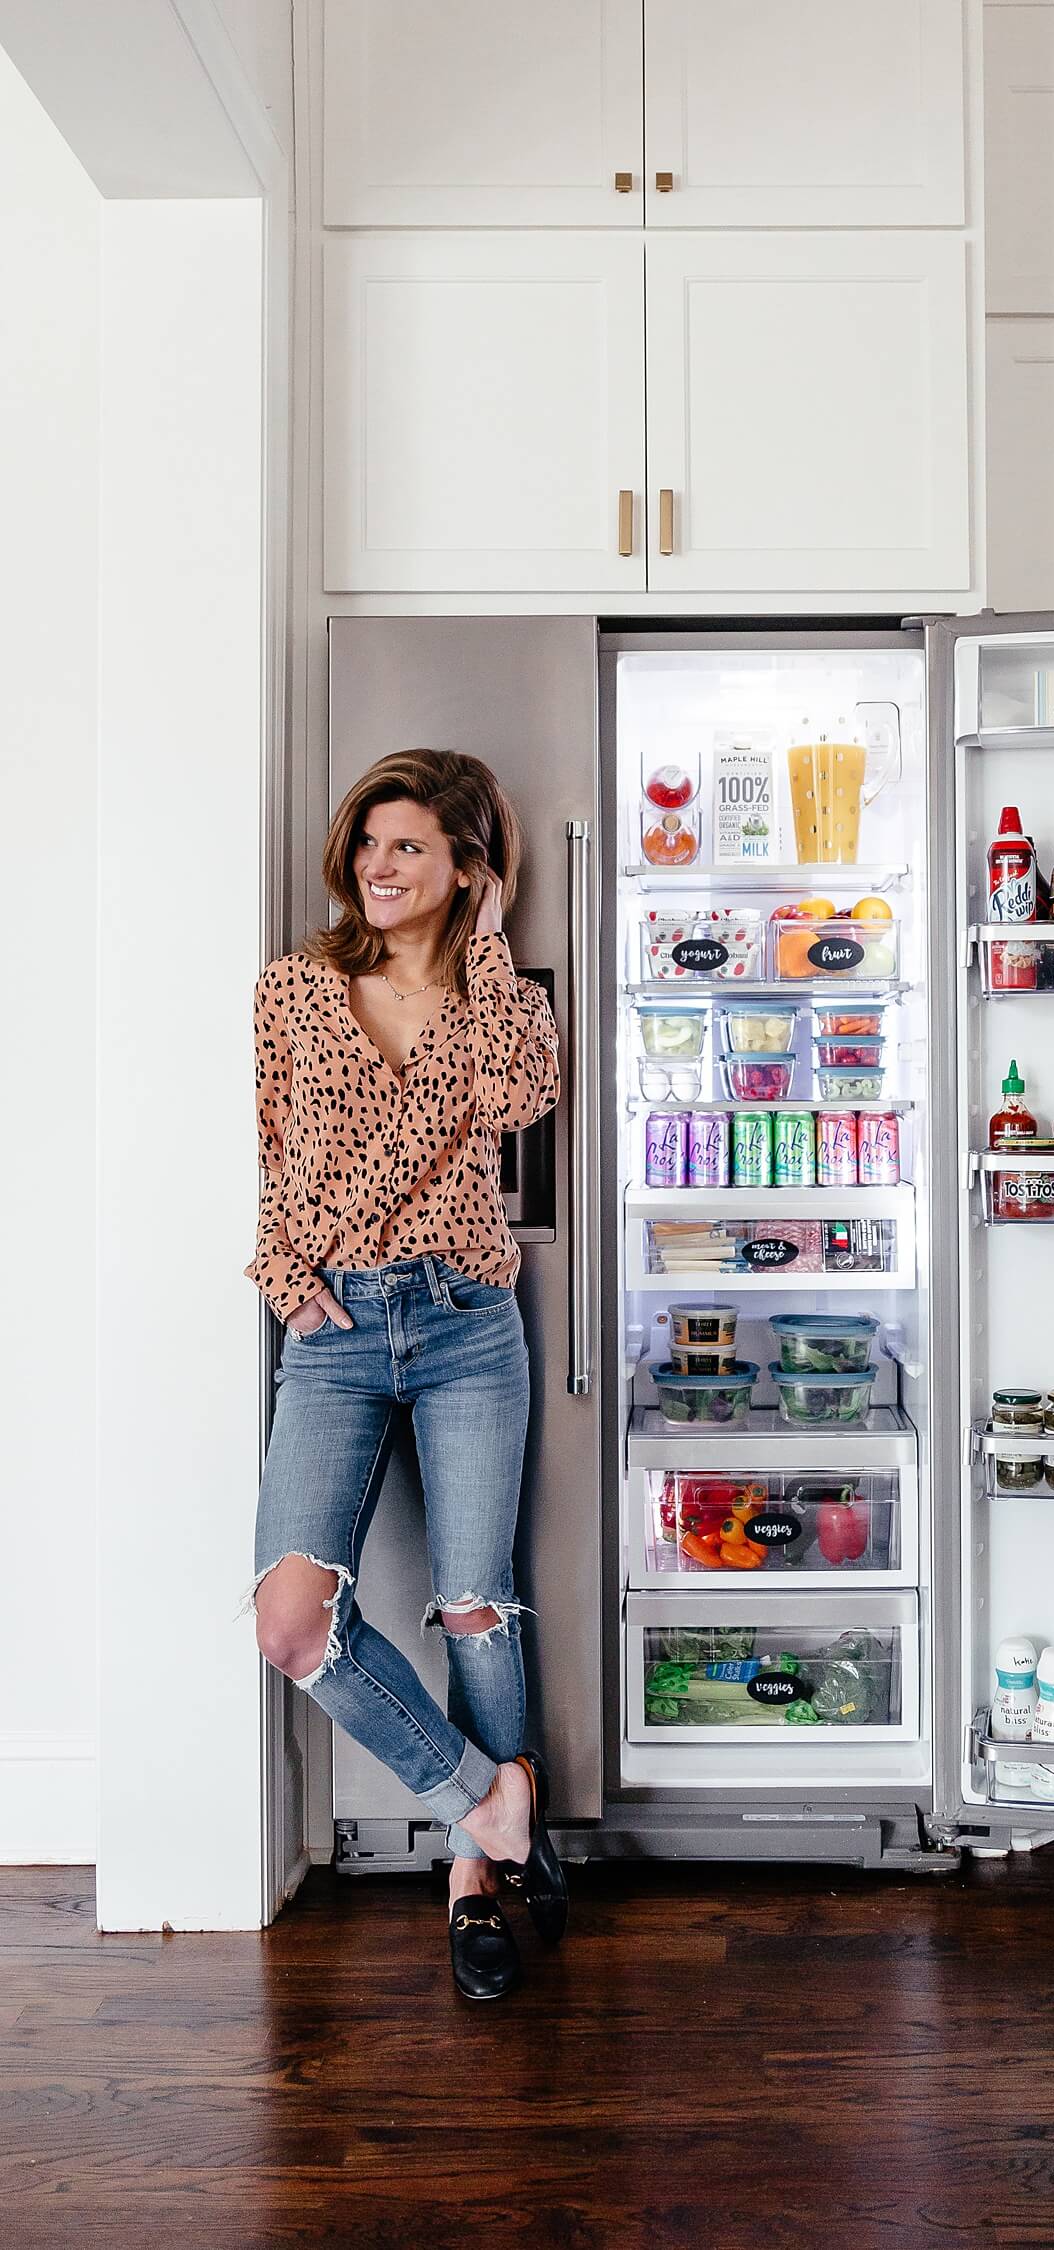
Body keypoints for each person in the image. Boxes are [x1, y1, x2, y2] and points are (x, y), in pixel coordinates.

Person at [244, 748, 567, 2001]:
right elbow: (275, 1146)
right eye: (371, 844)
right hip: (332, 1331)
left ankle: (471, 1882)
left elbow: (520, 1096)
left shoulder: (502, 1002)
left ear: (465, 871)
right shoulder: (293, 990)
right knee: (290, 1622)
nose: (379, 867)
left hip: (467, 1319)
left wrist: (489, 942)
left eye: (411, 849)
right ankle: (494, 1803)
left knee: (476, 1601)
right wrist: (280, 1266)